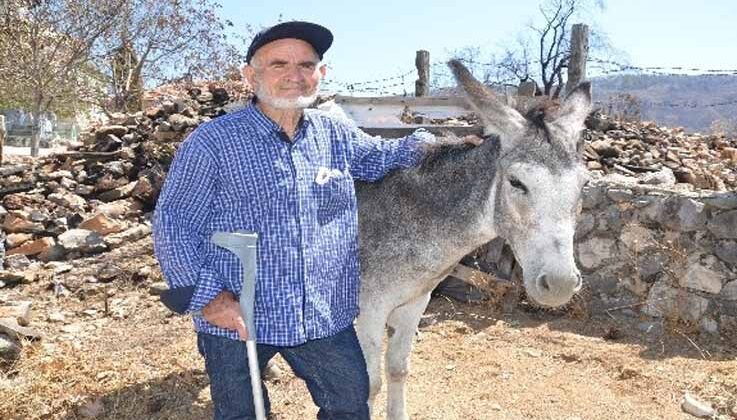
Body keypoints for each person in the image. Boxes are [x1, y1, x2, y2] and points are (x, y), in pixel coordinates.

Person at [153, 20, 480, 420]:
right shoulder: (212, 142)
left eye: (307, 65)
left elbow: (383, 156)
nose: (295, 76)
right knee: (241, 413)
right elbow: (174, 219)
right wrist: (207, 298)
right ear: (249, 75)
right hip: (241, 315)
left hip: (322, 316)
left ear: (321, 75)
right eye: (278, 65)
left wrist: (457, 148)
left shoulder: (335, 135)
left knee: (349, 407)